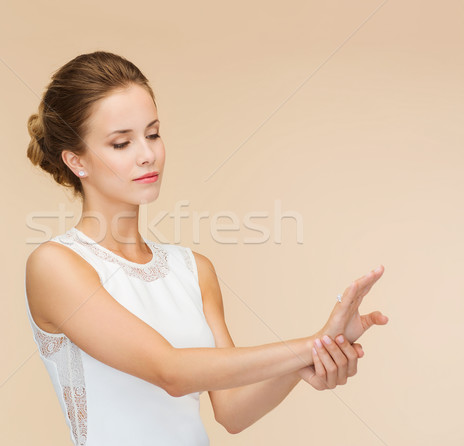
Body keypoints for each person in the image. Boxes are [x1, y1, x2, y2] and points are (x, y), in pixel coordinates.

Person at [24, 51, 389, 446]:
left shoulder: (193, 269)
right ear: (76, 161)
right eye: (121, 143)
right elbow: (172, 372)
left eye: (153, 133)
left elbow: (232, 411)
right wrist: (309, 345)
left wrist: (320, 351)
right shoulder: (56, 265)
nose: (147, 154)